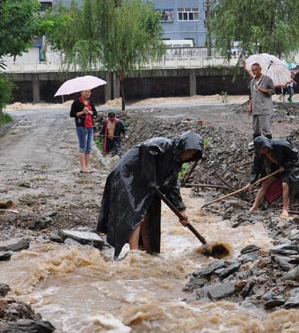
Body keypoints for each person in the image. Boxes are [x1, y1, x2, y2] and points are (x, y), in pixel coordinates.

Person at [97, 131, 204, 260]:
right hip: (127, 175)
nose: (189, 156)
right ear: (182, 146)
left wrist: (181, 210)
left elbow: (172, 186)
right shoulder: (164, 144)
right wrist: (150, 177)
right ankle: (134, 253)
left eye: (192, 154)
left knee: (148, 214)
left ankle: (147, 250)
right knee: (135, 214)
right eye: (189, 151)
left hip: (145, 183)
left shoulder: (175, 163)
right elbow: (147, 148)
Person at [247, 136, 299, 220]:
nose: (260, 152)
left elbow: (294, 156)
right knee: (265, 183)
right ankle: (254, 207)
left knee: (285, 184)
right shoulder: (259, 153)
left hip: (290, 166)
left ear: (264, 147)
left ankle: (285, 209)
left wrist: (285, 166)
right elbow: (256, 168)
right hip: (277, 167)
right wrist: (251, 182)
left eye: (260, 150)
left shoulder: (281, 144)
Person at [70, 89, 98, 173]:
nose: (88, 93)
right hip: (81, 127)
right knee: (83, 147)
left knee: (89, 147)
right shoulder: (76, 102)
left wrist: (89, 112)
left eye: (89, 92)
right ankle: (82, 167)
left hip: (90, 126)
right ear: (81, 92)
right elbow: (72, 114)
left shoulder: (90, 102)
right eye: (86, 92)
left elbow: (95, 113)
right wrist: (82, 112)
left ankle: (87, 166)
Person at [248, 62, 275, 139]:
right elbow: (252, 95)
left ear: (260, 69)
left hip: (264, 109)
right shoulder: (252, 81)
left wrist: (263, 90)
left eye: (256, 70)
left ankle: (269, 145)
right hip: (255, 108)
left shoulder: (267, 80)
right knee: (256, 129)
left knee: (266, 129)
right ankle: (258, 145)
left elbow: (272, 91)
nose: (254, 72)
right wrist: (250, 106)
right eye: (253, 70)